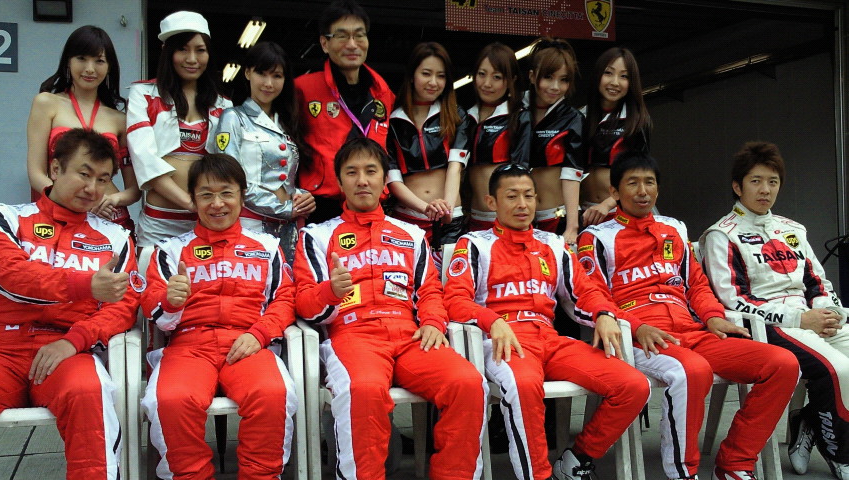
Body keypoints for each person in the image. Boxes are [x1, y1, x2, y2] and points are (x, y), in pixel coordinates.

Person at [577, 152, 799, 480]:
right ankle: (683, 472)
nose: (643, 191)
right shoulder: (596, 237)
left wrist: (712, 316)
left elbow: (696, 282)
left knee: (782, 364)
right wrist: (636, 327)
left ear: (658, 188)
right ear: (614, 192)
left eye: (649, 183)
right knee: (692, 370)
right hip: (639, 336)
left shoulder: (674, 228)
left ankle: (736, 463)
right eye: (633, 183)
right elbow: (590, 294)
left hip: (692, 331)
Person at [294, 137, 488, 480]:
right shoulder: (316, 236)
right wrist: (329, 292)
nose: (362, 180)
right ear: (339, 182)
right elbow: (304, 305)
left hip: (411, 337)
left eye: (371, 171)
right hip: (352, 337)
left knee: (468, 383)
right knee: (364, 390)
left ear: (385, 181)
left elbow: (430, 290)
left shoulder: (411, 234)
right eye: (352, 172)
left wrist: (432, 322)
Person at [443, 163, 649, 480]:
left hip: (550, 340)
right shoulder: (474, 244)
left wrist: (603, 313)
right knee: (524, 385)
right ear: (491, 202)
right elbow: (455, 300)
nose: (522, 204)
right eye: (512, 196)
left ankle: (577, 459)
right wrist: (491, 321)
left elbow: (585, 292)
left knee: (633, 385)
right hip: (503, 342)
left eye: (529, 196)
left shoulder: (552, 244)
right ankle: (538, 475)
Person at [140, 153, 298, 480]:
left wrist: (259, 334)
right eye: (206, 195)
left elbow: (285, 299)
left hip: (248, 344)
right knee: (170, 399)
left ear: (242, 195)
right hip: (188, 346)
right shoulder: (169, 251)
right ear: (193, 199)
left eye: (227, 193)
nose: (217, 204)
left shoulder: (267, 247)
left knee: (273, 394)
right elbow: (153, 310)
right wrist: (171, 301)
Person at [0, 128, 139, 479]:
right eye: (84, 174)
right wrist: (86, 285)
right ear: (56, 169)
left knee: (90, 391)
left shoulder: (116, 237)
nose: (92, 188)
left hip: (68, 349)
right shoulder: (6, 218)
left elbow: (123, 306)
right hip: (2, 348)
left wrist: (74, 340)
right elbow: (12, 277)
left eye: (103, 179)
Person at [700, 141, 849, 479]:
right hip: (765, 326)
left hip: (810, 319)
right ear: (737, 186)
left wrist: (829, 314)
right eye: (755, 181)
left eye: (772, 181)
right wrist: (801, 319)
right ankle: (840, 452)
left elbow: (817, 282)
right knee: (837, 368)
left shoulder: (793, 229)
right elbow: (732, 300)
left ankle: (809, 420)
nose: (765, 190)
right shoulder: (722, 235)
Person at [127, 11, 232, 250]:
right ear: (167, 51)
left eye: (200, 50)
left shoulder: (223, 105)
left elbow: (228, 164)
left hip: (206, 221)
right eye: (183, 49)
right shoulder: (143, 94)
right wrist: (190, 203)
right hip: (159, 223)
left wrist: (205, 208)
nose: (192, 59)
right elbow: (144, 158)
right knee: (153, 275)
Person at [27, 25, 139, 232]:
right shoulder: (46, 103)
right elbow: (35, 173)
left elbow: (134, 189)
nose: (90, 69)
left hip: (107, 218)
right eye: (81, 58)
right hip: (58, 217)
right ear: (68, 61)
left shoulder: (120, 119)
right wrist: (72, 200)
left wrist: (112, 199)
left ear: (109, 67)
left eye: (99, 61)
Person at [211, 41, 315, 260]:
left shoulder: (287, 123)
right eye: (262, 73)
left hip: (290, 225)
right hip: (249, 221)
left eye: (277, 76)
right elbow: (229, 179)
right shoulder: (233, 117)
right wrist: (282, 208)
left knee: (287, 279)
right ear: (247, 72)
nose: (269, 83)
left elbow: (287, 178)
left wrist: (302, 197)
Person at [296, 0, 395, 223]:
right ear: (324, 43)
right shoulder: (303, 89)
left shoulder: (383, 93)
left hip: (371, 204)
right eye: (342, 36)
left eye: (359, 35)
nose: (352, 44)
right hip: (320, 206)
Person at [386, 41, 468, 268]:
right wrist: (426, 209)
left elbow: (455, 167)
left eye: (441, 76)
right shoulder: (391, 120)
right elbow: (392, 180)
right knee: (408, 282)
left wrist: (446, 209)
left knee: (451, 283)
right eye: (426, 73)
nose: (433, 82)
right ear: (412, 75)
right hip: (407, 219)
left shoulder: (455, 115)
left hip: (450, 219)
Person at [580, 47, 651, 227]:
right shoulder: (580, 117)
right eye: (608, 73)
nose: (615, 82)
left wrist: (607, 204)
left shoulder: (637, 121)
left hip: (621, 212)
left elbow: (640, 173)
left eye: (624, 76)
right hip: (586, 214)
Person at [465, 42, 531, 232]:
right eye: (482, 74)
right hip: (471, 218)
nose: (487, 83)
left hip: (506, 220)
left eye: (497, 77)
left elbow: (521, 170)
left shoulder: (519, 117)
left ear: (511, 80)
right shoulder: (465, 117)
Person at [524, 38, 584, 244]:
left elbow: (572, 172)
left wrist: (572, 226)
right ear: (532, 76)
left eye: (564, 79)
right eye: (548, 77)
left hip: (558, 218)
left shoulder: (573, 118)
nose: (555, 87)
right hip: (521, 218)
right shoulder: (514, 111)